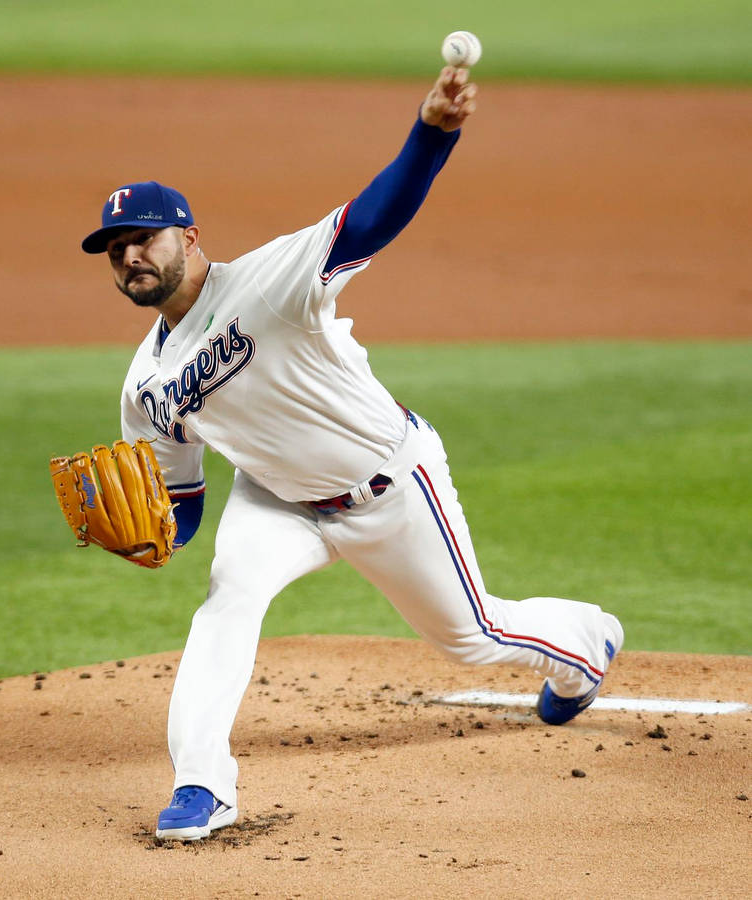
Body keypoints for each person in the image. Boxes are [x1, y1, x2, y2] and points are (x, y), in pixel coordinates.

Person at [80, 66, 623, 842]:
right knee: (226, 600)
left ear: (189, 239)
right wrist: (149, 534)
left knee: (473, 639)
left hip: (390, 486)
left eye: (144, 239)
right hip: (275, 501)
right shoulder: (144, 384)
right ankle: (203, 785)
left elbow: (372, 217)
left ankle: (584, 643)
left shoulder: (269, 281)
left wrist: (433, 132)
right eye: (115, 248)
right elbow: (183, 502)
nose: (130, 255)